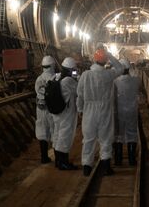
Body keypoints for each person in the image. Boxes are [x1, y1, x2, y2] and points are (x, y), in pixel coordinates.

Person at [77, 48, 124, 176]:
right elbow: (120, 68)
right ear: (105, 61)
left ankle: (87, 167)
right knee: (106, 138)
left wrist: (80, 109)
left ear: (94, 59)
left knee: (89, 139)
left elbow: (79, 94)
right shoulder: (108, 74)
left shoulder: (85, 75)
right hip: (105, 110)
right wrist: (110, 55)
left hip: (89, 111)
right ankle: (106, 167)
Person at [52, 57, 79, 171]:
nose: (75, 71)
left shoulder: (57, 77)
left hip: (57, 112)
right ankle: (63, 163)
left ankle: (58, 161)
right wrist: (76, 76)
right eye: (74, 70)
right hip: (66, 113)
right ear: (69, 70)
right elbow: (78, 90)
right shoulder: (69, 81)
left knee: (58, 134)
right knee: (65, 136)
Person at [113, 59, 141, 166]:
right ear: (129, 69)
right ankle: (131, 160)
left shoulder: (115, 81)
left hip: (119, 112)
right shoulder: (136, 80)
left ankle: (118, 160)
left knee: (118, 134)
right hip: (132, 111)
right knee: (132, 134)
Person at [35, 55, 57, 164]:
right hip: (53, 109)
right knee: (55, 132)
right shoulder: (56, 77)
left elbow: (38, 93)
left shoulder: (39, 79)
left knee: (42, 132)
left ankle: (44, 157)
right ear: (53, 65)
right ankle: (59, 158)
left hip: (41, 110)